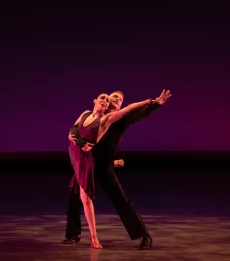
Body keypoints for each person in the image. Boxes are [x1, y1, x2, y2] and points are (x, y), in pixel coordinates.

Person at [67, 89, 172, 249]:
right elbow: (76, 129)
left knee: (121, 199)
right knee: (74, 195)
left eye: (120, 99)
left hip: (104, 166)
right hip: (87, 163)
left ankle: (144, 236)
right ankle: (73, 234)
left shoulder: (120, 118)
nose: (117, 99)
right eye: (114, 97)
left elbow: (136, 112)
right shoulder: (95, 115)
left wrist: (155, 104)